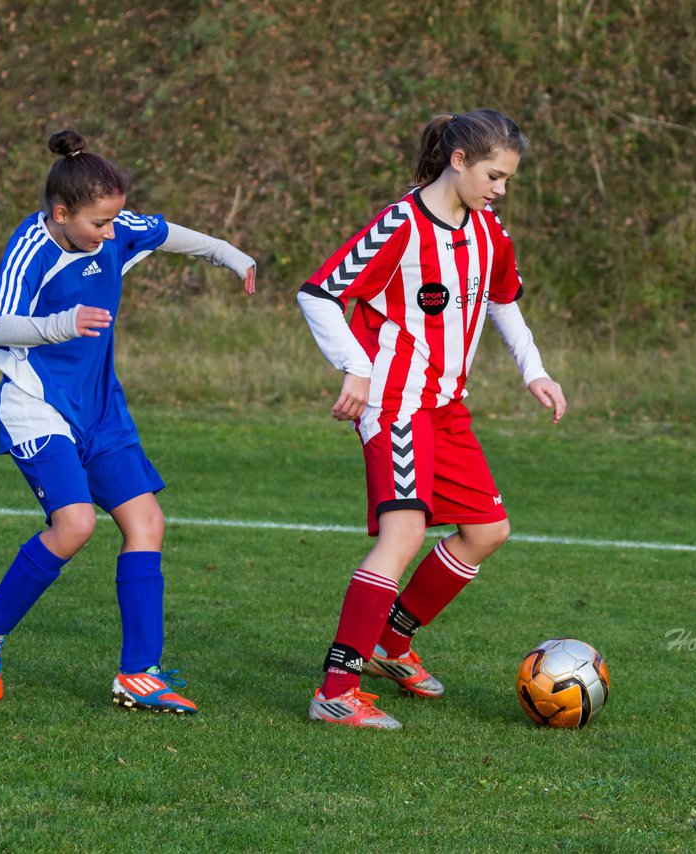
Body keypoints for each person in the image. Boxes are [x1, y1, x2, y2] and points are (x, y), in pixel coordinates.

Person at [0, 129, 257, 714]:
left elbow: (167, 233)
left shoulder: (112, 229)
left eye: (114, 220)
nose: (110, 233)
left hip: (101, 409)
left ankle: (139, 674)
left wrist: (228, 252)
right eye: (98, 223)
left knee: (146, 522)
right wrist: (61, 323)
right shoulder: (32, 247)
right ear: (61, 212)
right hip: (37, 404)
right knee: (74, 526)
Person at [297, 109, 567, 729]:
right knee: (404, 536)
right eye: (495, 176)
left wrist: (535, 371)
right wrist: (355, 368)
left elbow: (505, 303)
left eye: (508, 180)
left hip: (446, 407)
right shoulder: (400, 224)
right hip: (394, 403)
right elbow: (317, 295)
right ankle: (337, 690)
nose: (501, 190)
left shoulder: (489, 231)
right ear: (459, 160)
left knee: (487, 531)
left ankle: (392, 646)